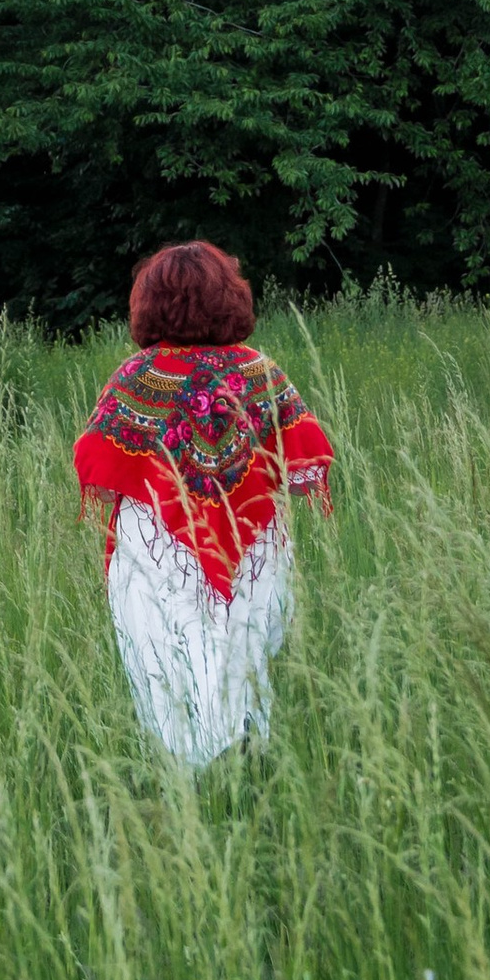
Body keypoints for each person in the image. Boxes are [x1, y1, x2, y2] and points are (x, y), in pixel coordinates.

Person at [73, 241, 333, 768]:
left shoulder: (136, 378)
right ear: (227, 296)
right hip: (254, 548)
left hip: (156, 550)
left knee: (166, 668)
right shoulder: (262, 373)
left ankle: (189, 784)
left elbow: (97, 476)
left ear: (151, 302)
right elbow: (305, 475)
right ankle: (245, 769)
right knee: (245, 660)